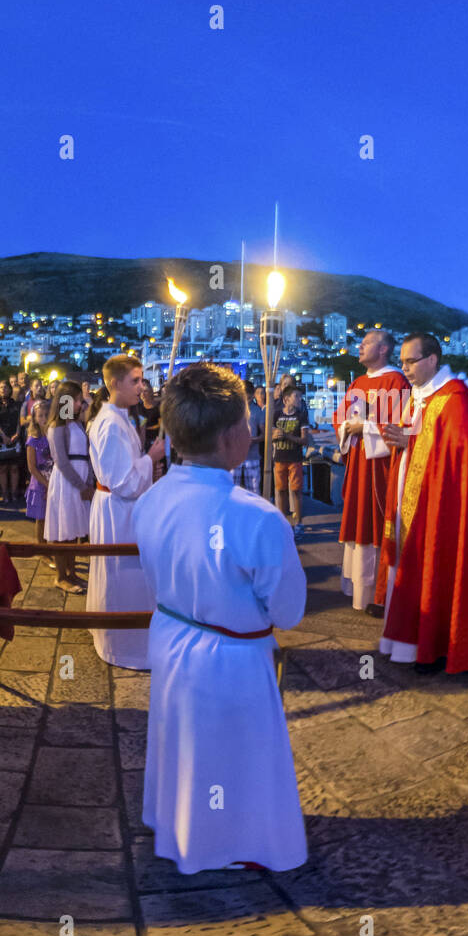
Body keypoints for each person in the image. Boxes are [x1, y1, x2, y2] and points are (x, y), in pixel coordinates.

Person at [138, 362, 308, 874]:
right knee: (231, 757)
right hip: (231, 656)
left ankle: (180, 823)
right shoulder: (257, 517)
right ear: (236, 435)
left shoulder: (150, 500)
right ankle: (232, 842)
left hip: (170, 636)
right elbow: (289, 610)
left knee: (185, 746)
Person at [378, 332, 468, 673]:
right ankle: (406, 642)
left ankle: (434, 646)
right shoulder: (420, 397)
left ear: (432, 360)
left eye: (410, 361)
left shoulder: (456, 399)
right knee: (407, 565)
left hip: (439, 506)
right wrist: (403, 441)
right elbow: (418, 442)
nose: (404, 368)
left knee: (432, 566)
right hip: (409, 497)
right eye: (401, 361)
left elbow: (456, 456)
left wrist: (411, 442)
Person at [87, 356, 162, 667]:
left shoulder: (119, 417)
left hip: (119, 508)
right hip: (119, 511)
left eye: (142, 379)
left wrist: (145, 463)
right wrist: (152, 457)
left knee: (123, 576)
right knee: (123, 576)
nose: (141, 386)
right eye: (135, 380)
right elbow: (124, 483)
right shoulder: (110, 424)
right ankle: (124, 645)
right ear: (114, 383)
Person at [333, 329, 409, 614]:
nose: (360, 347)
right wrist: (347, 428)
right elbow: (339, 418)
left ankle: (378, 592)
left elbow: (400, 427)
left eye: (366, 343)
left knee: (375, 523)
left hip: (379, 468)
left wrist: (362, 427)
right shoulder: (358, 382)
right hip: (358, 464)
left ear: (384, 349)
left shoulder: (397, 381)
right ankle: (358, 590)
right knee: (357, 520)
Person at [40, 380, 95, 593]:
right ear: (66, 401)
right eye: (78, 400)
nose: (81, 404)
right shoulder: (57, 427)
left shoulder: (76, 425)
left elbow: (85, 455)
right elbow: (61, 461)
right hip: (67, 483)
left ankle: (72, 573)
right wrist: (81, 485)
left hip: (79, 482)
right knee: (63, 530)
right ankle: (61, 576)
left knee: (73, 530)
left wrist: (88, 480)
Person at [267, 377, 313, 524]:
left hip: (295, 458)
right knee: (280, 490)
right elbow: (271, 436)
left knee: (296, 490)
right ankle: (283, 522)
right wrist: (275, 436)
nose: (299, 399)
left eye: (300, 396)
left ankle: (299, 521)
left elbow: (304, 440)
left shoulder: (301, 416)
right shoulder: (276, 414)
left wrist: (286, 436)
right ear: (286, 399)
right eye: (296, 396)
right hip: (279, 457)